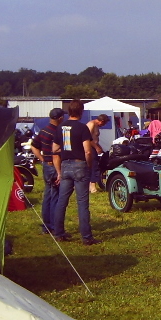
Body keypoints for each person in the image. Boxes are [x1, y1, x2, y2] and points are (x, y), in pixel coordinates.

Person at [52, 99, 99, 245]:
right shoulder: (82, 128)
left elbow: (54, 149)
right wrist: (89, 165)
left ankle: (58, 232)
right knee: (82, 203)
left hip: (65, 165)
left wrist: (65, 151)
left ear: (69, 111)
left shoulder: (60, 127)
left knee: (62, 201)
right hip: (80, 165)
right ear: (81, 112)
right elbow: (88, 151)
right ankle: (86, 237)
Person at [30, 108, 63, 235]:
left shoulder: (43, 130)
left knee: (48, 195)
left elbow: (34, 146)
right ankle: (54, 225)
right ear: (60, 118)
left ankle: (46, 225)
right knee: (56, 196)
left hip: (46, 166)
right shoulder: (57, 132)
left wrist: (42, 158)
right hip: (55, 166)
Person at [86, 113, 110, 193]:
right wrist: (96, 147)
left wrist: (99, 147)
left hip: (94, 147)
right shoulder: (91, 124)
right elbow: (88, 138)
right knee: (94, 166)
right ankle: (92, 186)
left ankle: (91, 185)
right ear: (102, 121)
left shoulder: (96, 125)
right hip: (90, 147)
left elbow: (95, 139)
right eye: (104, 123)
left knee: (95, 165)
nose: (103, 125)